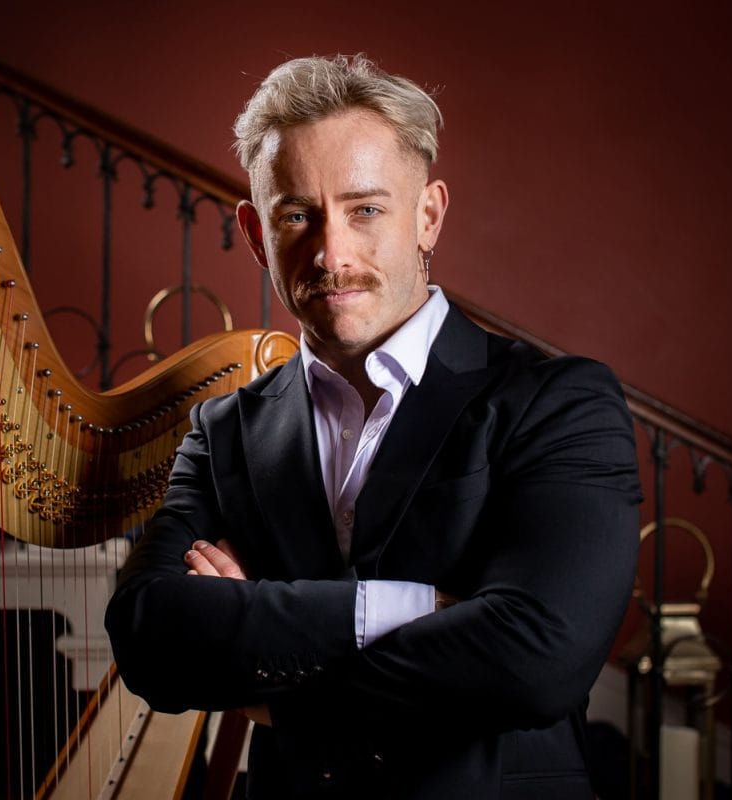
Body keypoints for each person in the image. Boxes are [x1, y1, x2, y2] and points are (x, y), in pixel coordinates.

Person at [104, 53, 641, 799]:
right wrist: (412, 607)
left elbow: (536, 661)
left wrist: (274, 684)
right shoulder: (223, 433)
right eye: (297, 215)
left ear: (427, 216)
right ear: (257, 234)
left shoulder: (558, 403)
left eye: (364, 210)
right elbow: (149, 636)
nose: (332, 253)